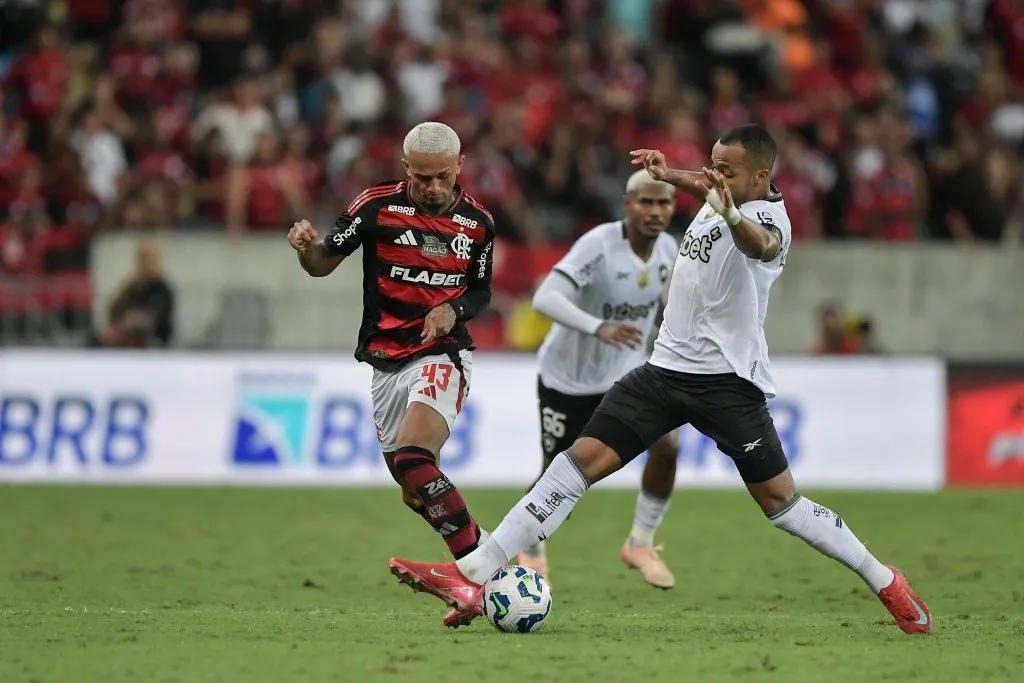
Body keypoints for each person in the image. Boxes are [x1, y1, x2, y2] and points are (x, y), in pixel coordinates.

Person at [386, 124, 932, 635]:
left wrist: (725, 208)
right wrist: (670, 175)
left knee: (783, 506)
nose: (714, 177)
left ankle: (886, 582)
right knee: (573, 466)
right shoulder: (720, 193)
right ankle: (473, 574)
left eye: (728, 171)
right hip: (663, 372)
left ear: (762, 178)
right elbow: (707, 186)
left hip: (726, 384)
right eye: (712, 166)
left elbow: (757, 246)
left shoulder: (770, 223)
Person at [287, 121, 495, 627]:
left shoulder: (478, 224)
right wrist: (305, 247)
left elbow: (481, 291)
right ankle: (492, 560)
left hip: (442, 355)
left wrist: (454, 312)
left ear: (459, 168)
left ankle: (474, 577)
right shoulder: (376, 207)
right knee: (411, 487)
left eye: (442, 176)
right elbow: (321, 264)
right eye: (422, 177)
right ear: (406, 170)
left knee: (415, 457)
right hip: (386, 364)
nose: (433, 187)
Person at [519, 169, 680, 589]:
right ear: (627, 205)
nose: (655, 211)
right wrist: (597, 326)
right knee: (555, 474)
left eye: (663, 203)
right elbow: (545, 297)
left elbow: (666, 307)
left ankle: (640, 542)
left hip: (625, 372)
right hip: (567, 377)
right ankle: (532, 550)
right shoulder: (599, 245)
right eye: (645, 202)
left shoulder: (668, 250)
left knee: (667, 444)